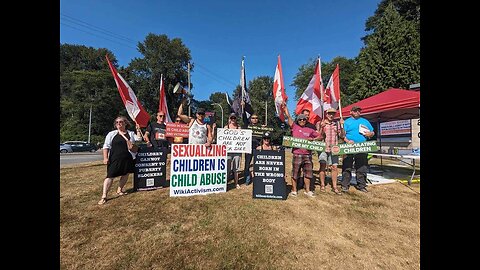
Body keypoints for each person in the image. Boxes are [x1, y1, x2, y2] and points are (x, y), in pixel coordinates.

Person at [98, 116, 143, 205]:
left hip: (128, 158)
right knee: (110, 176)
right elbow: (106, 147)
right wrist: (105, 158)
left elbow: (139, 139)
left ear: (125, 123)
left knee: (125, 174)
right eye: (117, 122)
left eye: (121, 122)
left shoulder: (130, 133)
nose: (119, 123)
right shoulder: (111, 134)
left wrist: (138, 129)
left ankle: (120, 189)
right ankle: (104, 196)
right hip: (114, 158)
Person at [283, 103, 322, 197]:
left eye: (304, 119)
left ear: (306, 120)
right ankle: (294, 190)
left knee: (308, 173)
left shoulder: (310, 129)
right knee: (295, 173)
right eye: (300, 119)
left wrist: (313, 139)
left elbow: (320, 136)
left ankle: (307, 190)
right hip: (297, 154)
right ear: (298, 120)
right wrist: (285, 108)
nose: (302, 121)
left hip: (308, 154)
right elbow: (289, 118)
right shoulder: (295, 127)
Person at [341, 106, 375, 193]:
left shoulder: (365, 121)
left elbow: (372, 132)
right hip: (349, 147)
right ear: (351, 112)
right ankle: (345, 185)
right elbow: (342, 135)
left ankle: (361, 185)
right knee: (347, 166)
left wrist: (370, 134)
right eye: (355, 111)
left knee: (362, 166)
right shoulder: (346, 122)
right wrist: (347, 141)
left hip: (362, 147)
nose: (357, 112)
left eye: (359, 111)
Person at [317, 108, 345, 195]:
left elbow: (342, 136)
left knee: (335, 167)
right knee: (323, 166)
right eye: (329, 113)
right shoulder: (320, 123)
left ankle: (335, 186)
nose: (331, 115)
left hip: (334, 148)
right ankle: (322, 184)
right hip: (323, 148)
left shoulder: (336, 124)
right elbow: (318, 137)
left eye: (333, 113)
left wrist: (342, 126)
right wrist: (321, 127)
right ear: (326, 114)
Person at [298, 109, 318, 191]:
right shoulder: (297, 124)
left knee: (307, 169)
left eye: (307, 115)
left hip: (308, 152)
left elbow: (318, 136)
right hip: (298, 151)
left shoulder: (312, 126)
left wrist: (313, 139)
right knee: (297, 169)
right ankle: (299, 183)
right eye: (304, 115)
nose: (306, 116)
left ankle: (307, 186)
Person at [241, 109, 262, 185]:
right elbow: (243, 117)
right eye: (253, 118)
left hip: (257, 148)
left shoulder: (261, 128)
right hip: (248, 148)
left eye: (256, 118)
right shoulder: (247, 126)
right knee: (247, 165)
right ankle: (247, 178)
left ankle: (258, 179)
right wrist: (243, 108)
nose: (255, 119)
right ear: (250, 119)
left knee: (258, 164)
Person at [224, 113, 242, 189]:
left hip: (237, 151)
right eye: (231, 118)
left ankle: (236, 183)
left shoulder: (239, 128)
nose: (233, 119)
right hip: (228, 151)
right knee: (227, 168)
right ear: (229, 119)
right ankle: (225, 183)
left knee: (236, 168)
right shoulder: (226, 127)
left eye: (234, 118)